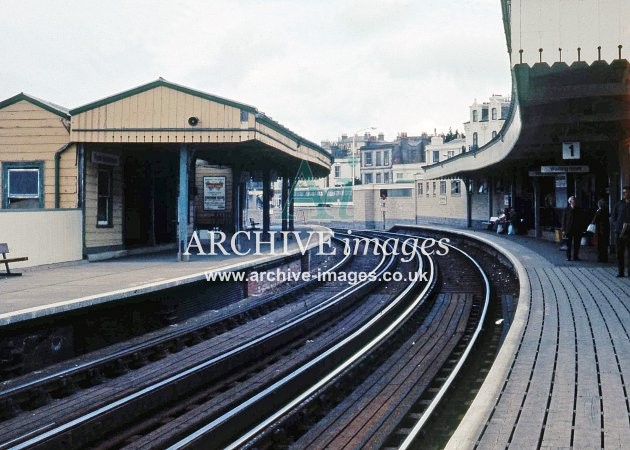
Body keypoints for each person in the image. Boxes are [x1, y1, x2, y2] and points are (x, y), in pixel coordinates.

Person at [611, 186, 630, 277]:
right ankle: (621, 272)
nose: (625, 194)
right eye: (624, 192)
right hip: (619, 232)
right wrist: (617, 225)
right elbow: (613, 216)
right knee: (619, 252)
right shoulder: (619, 204)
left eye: (626, 192)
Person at [561, 196, 584, 261]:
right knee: (568, 244)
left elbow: (582, 219)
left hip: (577, 229)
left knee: (577, 244)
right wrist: (563, 230)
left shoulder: (579, 209)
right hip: (568, 229)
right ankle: (568, 257)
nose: (575, 201)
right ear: (570, 202)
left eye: (575, 200)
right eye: (573, 200)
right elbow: (563, 220)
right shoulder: (566, 209)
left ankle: (575, 256)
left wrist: (582, 228)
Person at [591, 198, 610, 263]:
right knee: (605, 244)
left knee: (600, 245)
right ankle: (605, 258)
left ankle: (600, 258)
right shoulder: (606, 211)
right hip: (606, 229)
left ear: (599, 205)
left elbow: (594, 220)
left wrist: (597, 211)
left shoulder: (599, 211)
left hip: (600, 230)